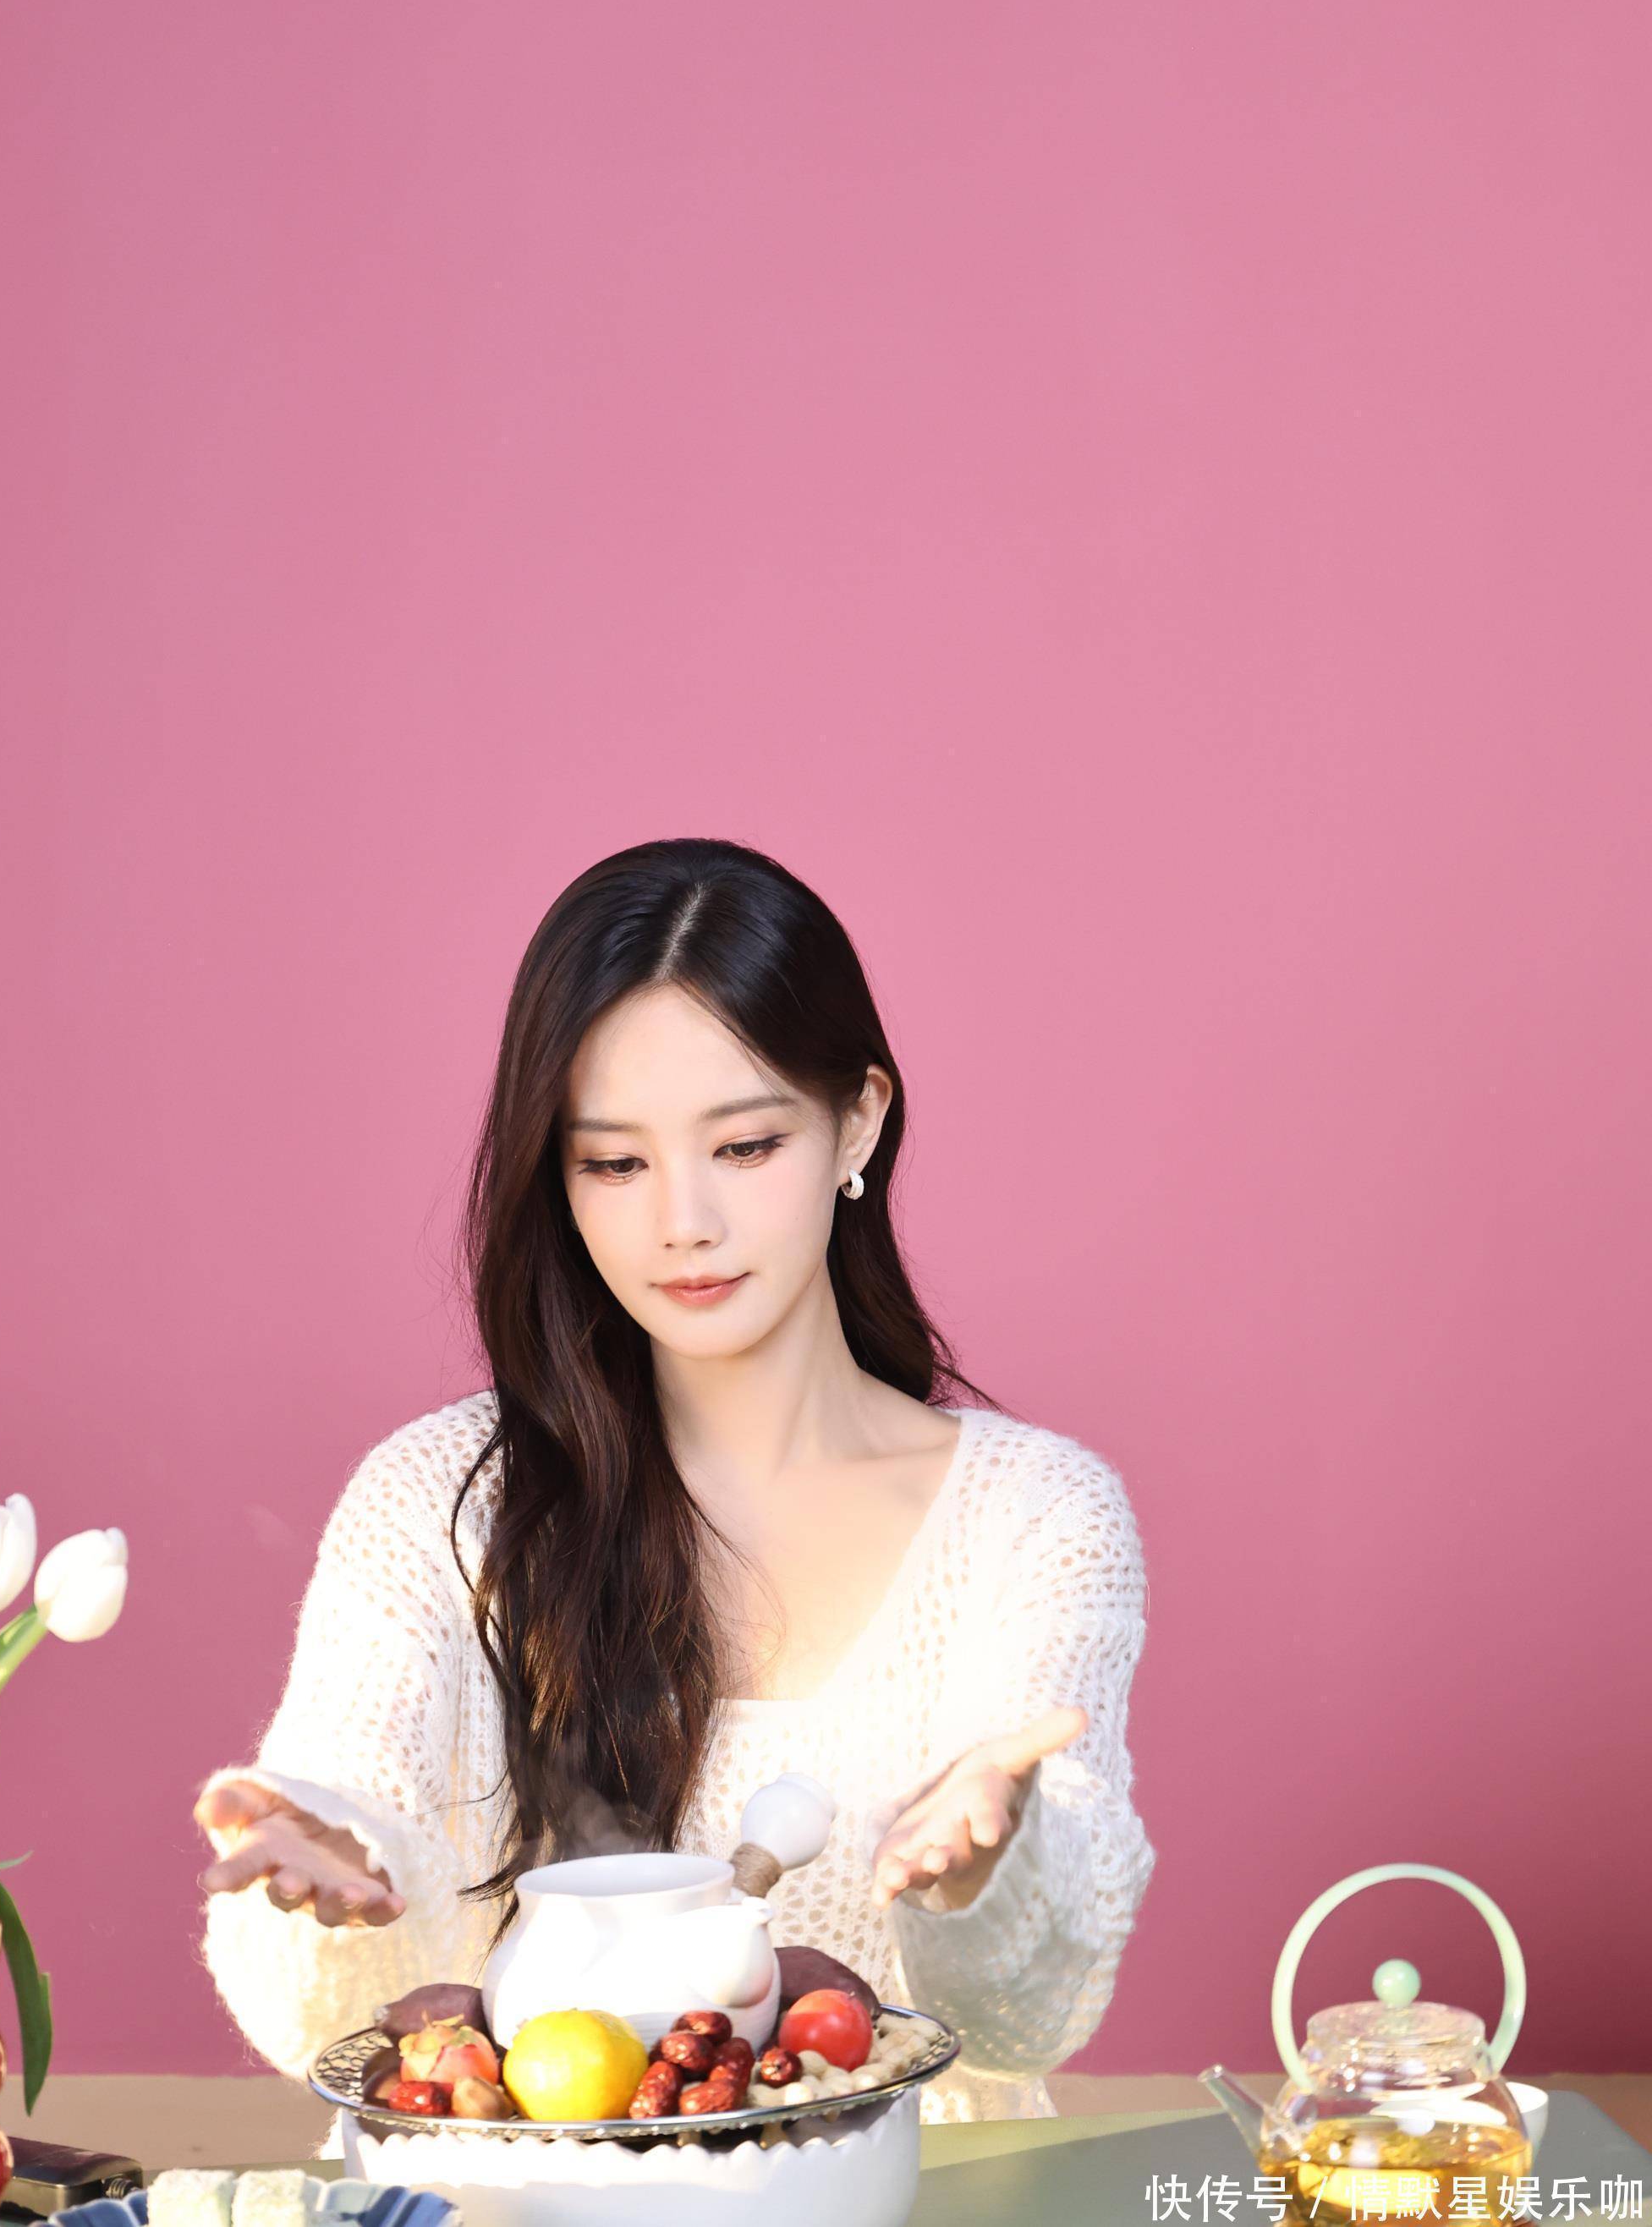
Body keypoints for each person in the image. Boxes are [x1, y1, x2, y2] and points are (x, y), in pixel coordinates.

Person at [194, 836, 1156, 2129]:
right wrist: (323, 1889)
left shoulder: (1035, 1517)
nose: (683, 1222)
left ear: (858, 1119)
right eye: (614, 1163)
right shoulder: (436, 1504)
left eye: (745, 1146)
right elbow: (326, 2009)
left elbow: (1032, 2020)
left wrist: (985, 1876)